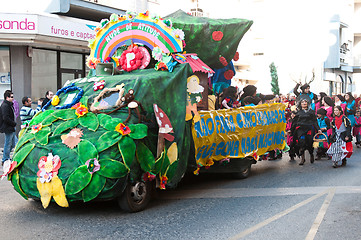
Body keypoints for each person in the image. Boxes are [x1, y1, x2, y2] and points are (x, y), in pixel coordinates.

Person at [291, 97, 321, 165]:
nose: (304, 103)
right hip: (301, 129)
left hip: (309, 129)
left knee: (310, 143)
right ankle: (302, 158)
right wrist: (291, 130)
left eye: (305, 102)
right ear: (300, 104)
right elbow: (294, 122)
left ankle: (311, 154)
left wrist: (318, 129)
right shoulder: (298, 112)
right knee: (301, 142)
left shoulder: (311, 112)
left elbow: (314, 121)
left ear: (307, 103)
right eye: (302, 102)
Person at [0, 90, 18, 165]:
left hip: (11, 127)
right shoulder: (5, 106)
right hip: (8, 127)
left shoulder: (9, 105)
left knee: (14, 143)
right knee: (9, 143)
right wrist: (13, 123)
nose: (13, 98)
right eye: (11, 97)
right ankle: (5, 159)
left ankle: (6, 157)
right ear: (7, 97)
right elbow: (5, 117)